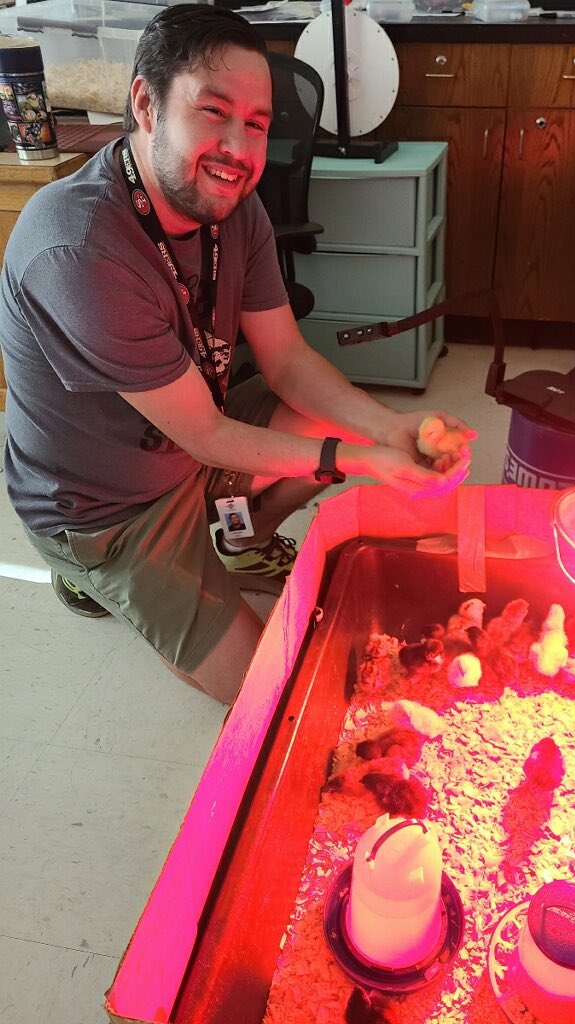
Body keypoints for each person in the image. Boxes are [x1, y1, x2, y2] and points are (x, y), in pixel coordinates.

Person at [0, 4, 475, 705]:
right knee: (274, 691)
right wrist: (362, 459)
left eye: (256, 123)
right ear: (146, 104)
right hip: (110, 511)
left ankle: (238, 538)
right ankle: (88, 572)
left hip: (192, 447)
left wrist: (387, 428)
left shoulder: (234, 209)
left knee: (325, 419)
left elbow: (287, 363)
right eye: (213, 111)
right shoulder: (78, 247)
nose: (238, 148)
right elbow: (206, 433)